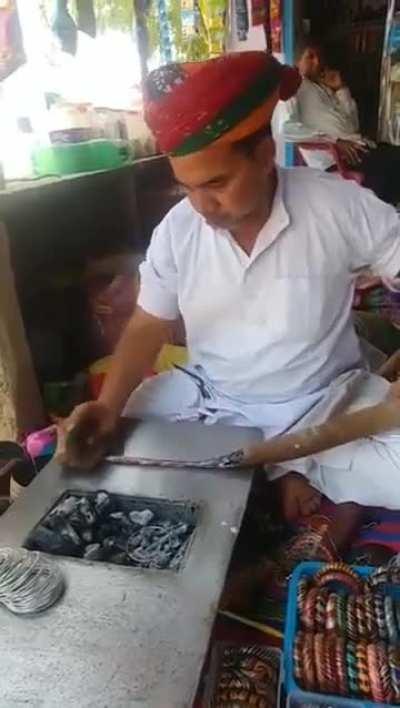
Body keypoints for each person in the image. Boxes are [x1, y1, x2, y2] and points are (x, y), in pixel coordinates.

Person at [58, 51, 400, 525]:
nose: (202, 205)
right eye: (187, 187)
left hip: (324, 401)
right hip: (214, 401)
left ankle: (279, 466)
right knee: (126, 431)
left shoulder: (337, 205)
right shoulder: (178, 231)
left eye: (216, 183)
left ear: (263, 155)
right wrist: (107, 405)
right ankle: (289, 467)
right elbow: (146, 325)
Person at [286, 40, 400, 205]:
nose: (317, 62)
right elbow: (286, 129)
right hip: (337, 160)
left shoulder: (324, 87)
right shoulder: (294, 87)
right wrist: (335, 142)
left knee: (393, 157)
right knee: (390, 169)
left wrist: (341, 89)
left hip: (358, 148)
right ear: (297, 61)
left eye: (318, 57)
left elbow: (353, 126)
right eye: (310, 57)